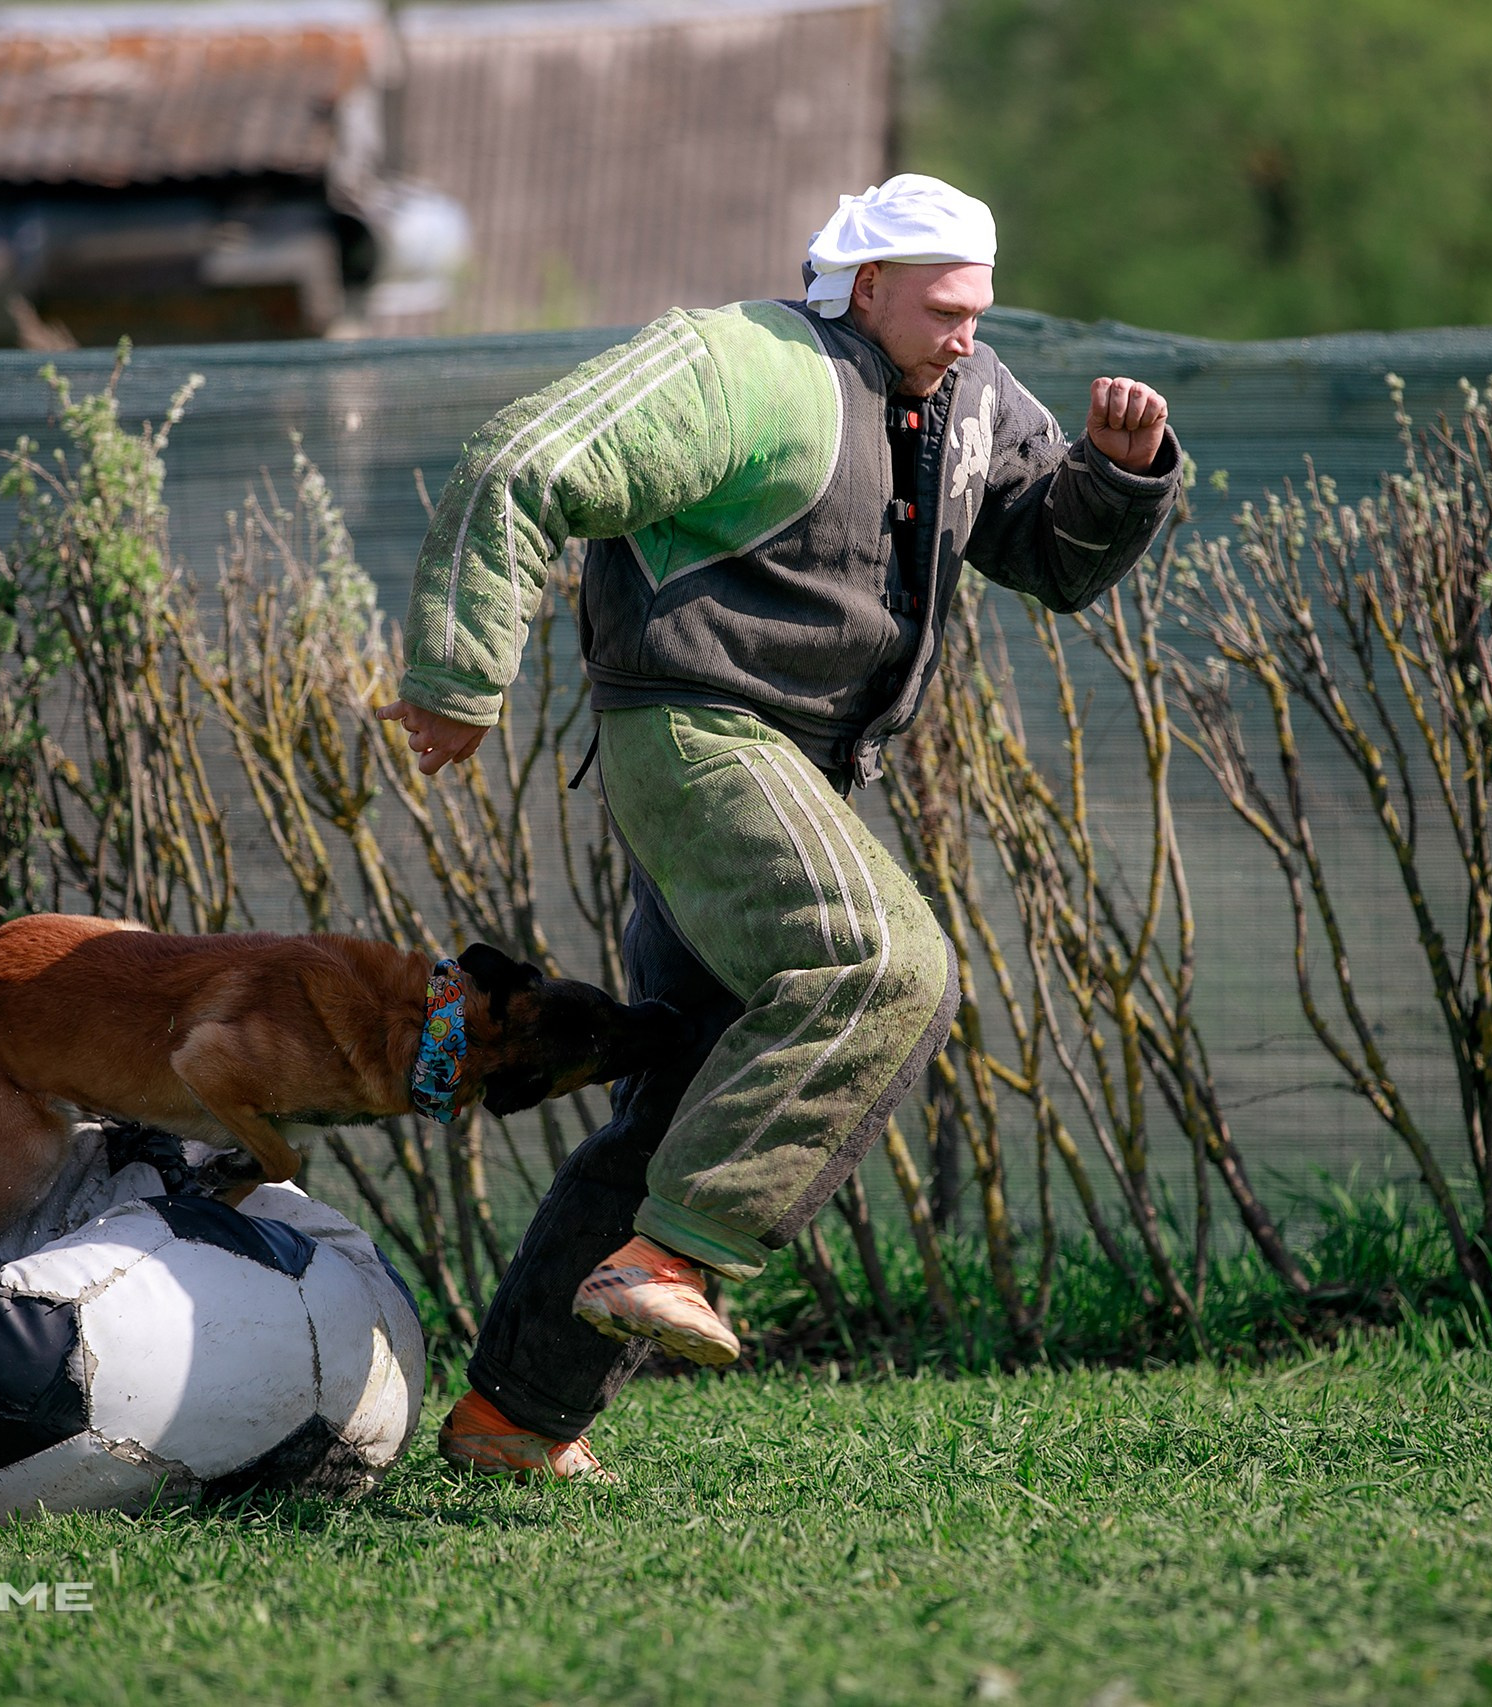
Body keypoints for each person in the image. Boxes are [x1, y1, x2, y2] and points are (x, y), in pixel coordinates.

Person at [377, 174, 1184, 1479]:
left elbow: (1052, 558)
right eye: (945, 306)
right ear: (866, 287)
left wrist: (1120, 474)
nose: (970, 330)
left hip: (807, 764)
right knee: (882, 967)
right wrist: (463, 675)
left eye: (981, 307)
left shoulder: (976, 398)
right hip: (692, 726)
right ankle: (676, 1255)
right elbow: (521, 464)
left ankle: (513, 1420)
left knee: (693, 1087)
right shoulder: (742, 367)